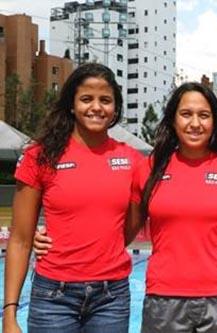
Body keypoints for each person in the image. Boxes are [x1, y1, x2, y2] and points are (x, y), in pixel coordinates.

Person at [2, 63, 143, 333]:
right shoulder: (40, 156)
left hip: (111, 298)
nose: (96, 107)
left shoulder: (132, 160)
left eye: (105, 100)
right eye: (86, 99)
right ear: (71, 104)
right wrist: (9, 313)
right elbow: (20, 239)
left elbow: (130, 227)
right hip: (54, 297)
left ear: (115, 107)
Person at [125, 82, 217, 333]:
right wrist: (56, 239)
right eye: (186, 114)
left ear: (214, 122)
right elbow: (121, 235)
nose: (195, 123)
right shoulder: (147, 169)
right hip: (164, 299)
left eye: (204, 115)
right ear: (172, 120)